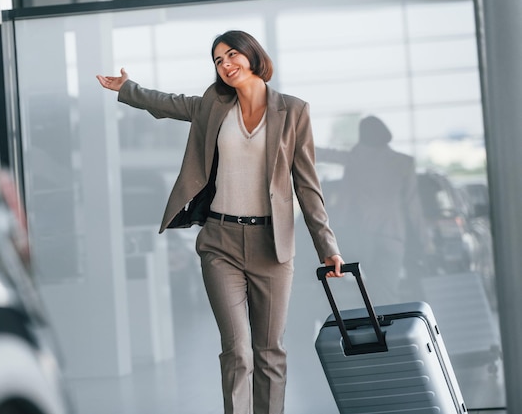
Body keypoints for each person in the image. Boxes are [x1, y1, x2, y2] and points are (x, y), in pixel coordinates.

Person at [97, 30, 343, 414]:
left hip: (271, 245)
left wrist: (327, 247)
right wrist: (128, 89)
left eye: (231, 55)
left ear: (252, 56)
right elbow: (170, 104)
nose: (225, 64)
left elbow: (307, 186)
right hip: (220, 241)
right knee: (237, 350)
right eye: (217, 60)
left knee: (269, 352)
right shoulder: (215, 104)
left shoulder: (294, 111)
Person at [317, 115, 427, 305]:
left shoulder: (355, 159)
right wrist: (426, 241)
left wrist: (292, 139)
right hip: (393, 237)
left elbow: (325, 154)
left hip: (363, 236)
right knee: (388, 291)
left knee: (371, 292)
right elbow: (413, 207)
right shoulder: (404, 162)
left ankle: (376, 327)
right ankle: (391, 328)